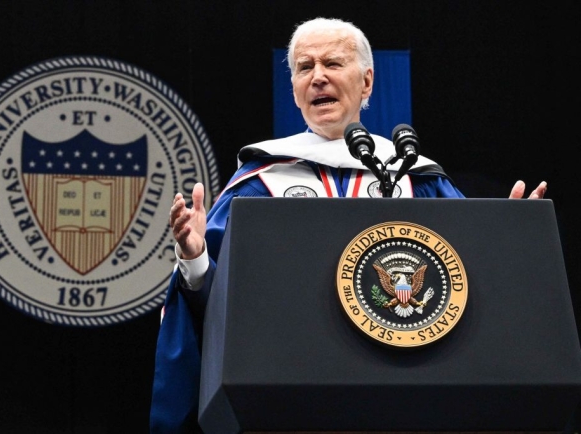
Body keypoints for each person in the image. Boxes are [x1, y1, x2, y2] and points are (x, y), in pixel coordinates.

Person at [149, 17, 547, 433]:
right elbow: (213, 303)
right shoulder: (259, 182)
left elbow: (468, 286)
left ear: (368, 81)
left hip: (406, 392)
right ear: (294, 89)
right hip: (289, 398)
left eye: (333, 63)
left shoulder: (415, 177)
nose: (317, 77)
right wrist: (194, 257)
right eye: (305, 68)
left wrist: (508, 239)